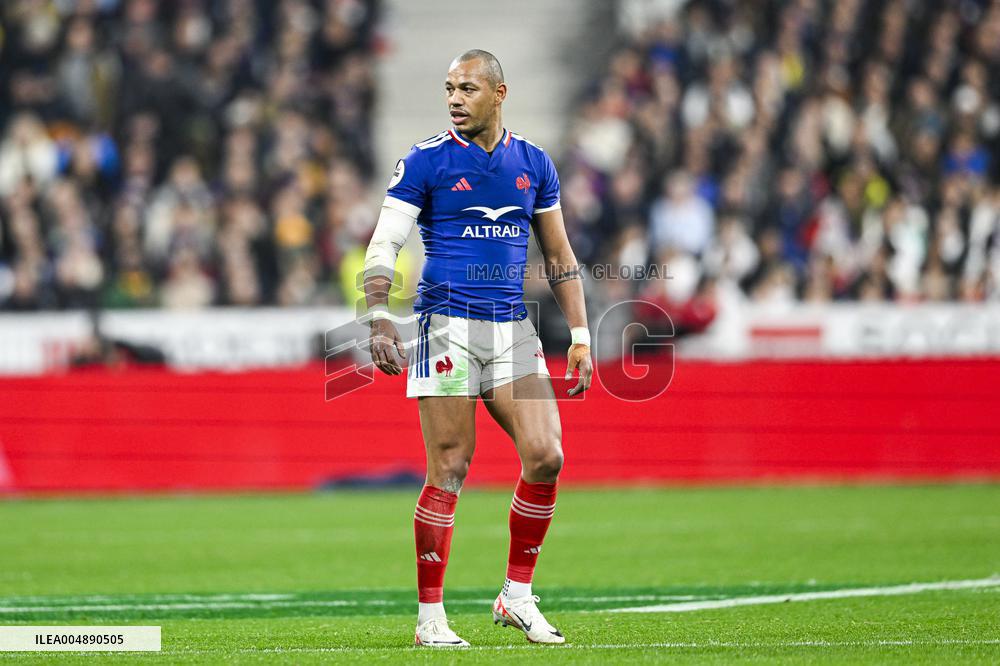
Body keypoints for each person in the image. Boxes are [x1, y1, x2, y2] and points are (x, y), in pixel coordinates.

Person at [361, 50, 593, 647]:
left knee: (547, 455)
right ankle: (430, 619)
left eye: (466, 88)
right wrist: (380, 316)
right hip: (445, 326)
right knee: (451, 466)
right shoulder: (425, 159)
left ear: (499, 93)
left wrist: (581, 334)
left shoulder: (533, 163)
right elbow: (384, 242)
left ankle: (516, 596)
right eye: (448, 89)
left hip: (512, 326)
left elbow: (560, 257)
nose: (454, 99)